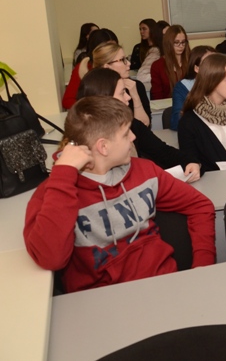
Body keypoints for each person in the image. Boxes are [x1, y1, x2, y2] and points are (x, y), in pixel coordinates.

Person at [23, 96, 215, 293]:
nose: (133, 137)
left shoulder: (145, 171)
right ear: (103, 147)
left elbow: (199, 205)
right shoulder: (53, 193)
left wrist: (202, 266)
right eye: (125, 134)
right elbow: (51, 258)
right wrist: (64, 173)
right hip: (101, 300)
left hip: (164, 286)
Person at [78, 68, 201, 182]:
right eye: (122, 93)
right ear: (105, 99)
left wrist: (190, 162)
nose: (128, 97)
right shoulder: (84, 144)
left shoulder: (133, 125)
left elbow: (163, 152)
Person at [93, 42, 151, 126]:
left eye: (126, 59)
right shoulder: (95, 92)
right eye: (122, 60)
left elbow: (145, 126)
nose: (129, 63)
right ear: (107, 67)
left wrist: (135, 96)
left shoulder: (136, 86)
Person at [62, 28, 119, 110]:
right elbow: (67, 100)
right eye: (108, 48)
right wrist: (90, 108)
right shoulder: (84, 67)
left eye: (114, 47)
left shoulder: (119, 65)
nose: (112, 52)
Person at [170, 45, 215, 131]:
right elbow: (177, 122)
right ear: (197, 68)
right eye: (209, 63)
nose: (214, 67)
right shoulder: (183, 87)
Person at [150, 25, 190, 100]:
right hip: (167, 105)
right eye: (176, 42)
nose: (181, 46)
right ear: (168, 43)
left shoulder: (191, 61)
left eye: (183, 42)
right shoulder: (157, 66)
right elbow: (157, 96)